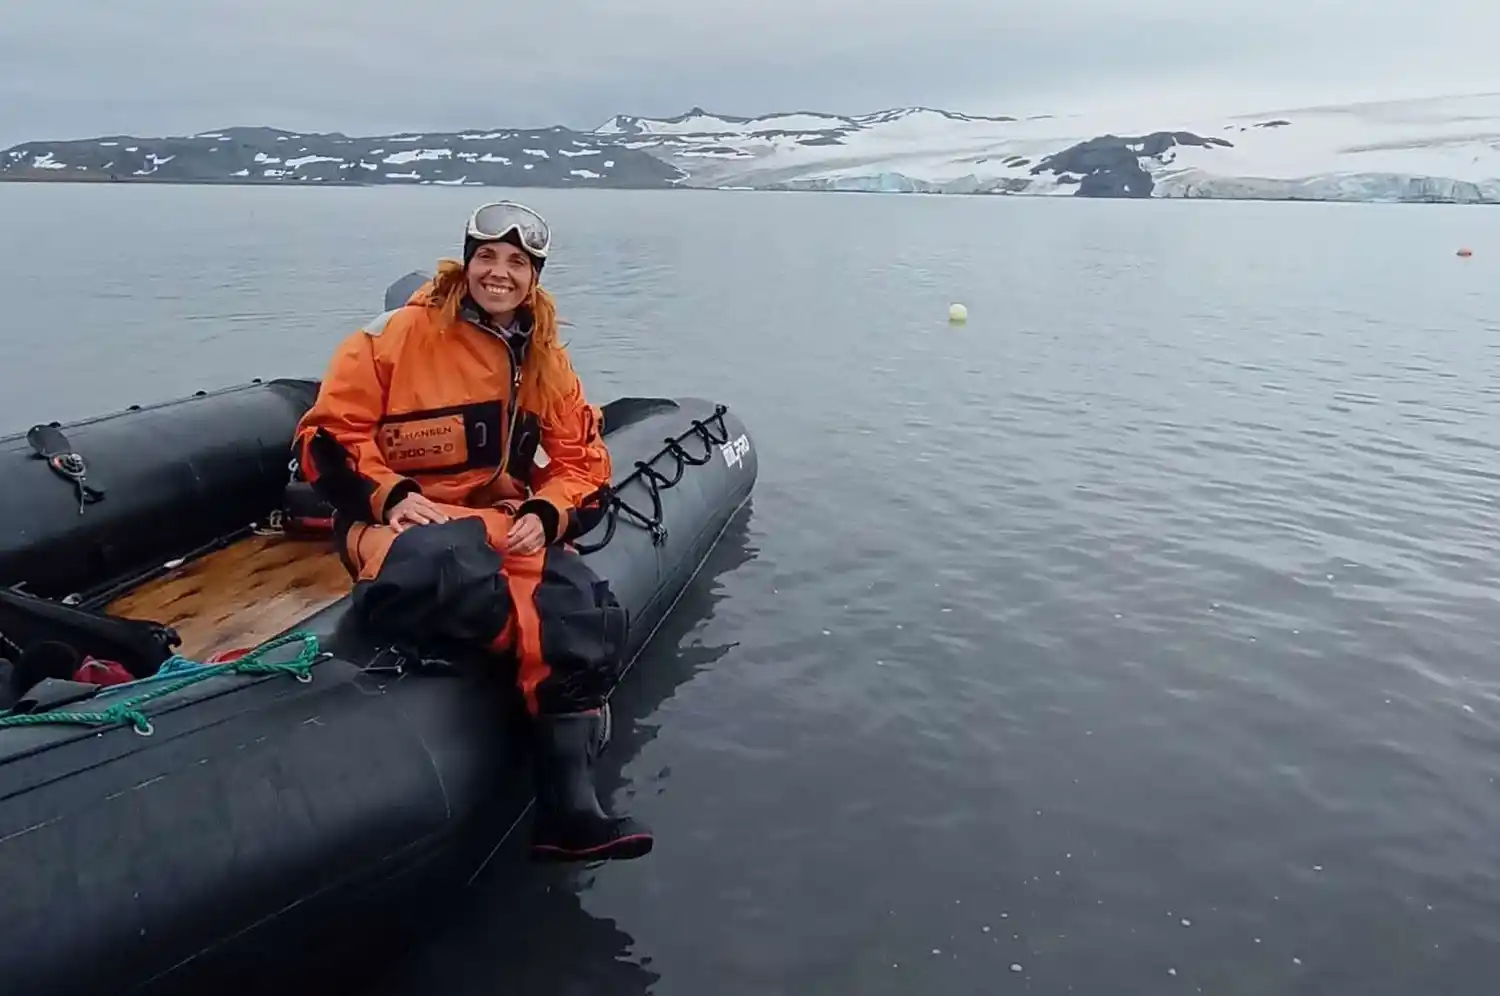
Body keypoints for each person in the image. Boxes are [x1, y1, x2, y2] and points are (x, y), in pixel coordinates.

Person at [290, 200, 652, 863]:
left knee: (582, 608)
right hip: (397, 518)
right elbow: (327, 439)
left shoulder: (544, 359)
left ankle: (568, 814)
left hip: (495, 520)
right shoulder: (391, 338)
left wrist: (547, 513)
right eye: (488, 257)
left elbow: (582, 466)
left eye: (517, 262)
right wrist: (388, 493)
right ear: (466, 262)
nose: (500, 272)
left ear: (533, 278)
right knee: (441, 571)